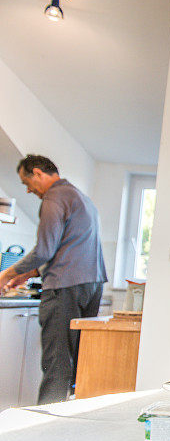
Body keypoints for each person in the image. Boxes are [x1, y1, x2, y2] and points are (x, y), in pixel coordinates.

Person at [0, 155, 107, 404]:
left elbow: (44, 251)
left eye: (27, 182)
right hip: (91, 285)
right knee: (77, 362)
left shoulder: (54, 197)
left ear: (38, 173)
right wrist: (27, 274)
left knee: (56, 361)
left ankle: (43, 427)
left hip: (63, 288)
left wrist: (6, 274)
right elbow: (67, 248)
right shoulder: (81, 197)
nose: (28, 190)